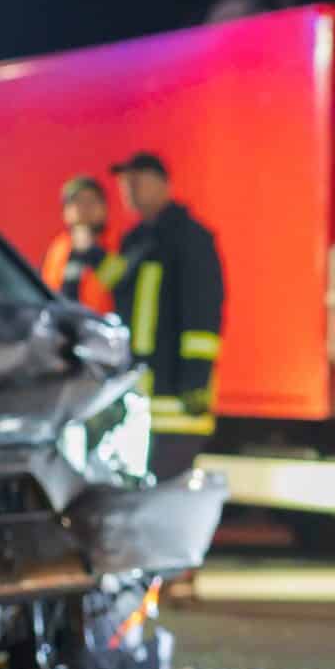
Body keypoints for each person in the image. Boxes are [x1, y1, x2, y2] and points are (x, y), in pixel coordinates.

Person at [107, 152, 223, 480]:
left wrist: (196, 380)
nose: (128, 190)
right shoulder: (135, 242)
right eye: (124, 183)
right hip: (142, 389)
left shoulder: (190, 239)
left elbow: (202, 313)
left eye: (137, 180)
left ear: (163, 185)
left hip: (178, 397)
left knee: (168, 481)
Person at [39, 175, 119, 309]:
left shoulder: (119, 243)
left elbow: (122, 286)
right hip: (64, 323)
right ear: (65, 212)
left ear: (104, 208)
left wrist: (93, 251)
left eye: (91, 201)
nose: (85, 208)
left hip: (104, 325)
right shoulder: (58, 248)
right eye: (77, 202)